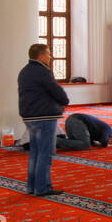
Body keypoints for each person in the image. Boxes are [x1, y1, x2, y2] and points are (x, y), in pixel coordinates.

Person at [18, 41, 69, 196]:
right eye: (48, 53)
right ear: (41, 56)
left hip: (30, 116)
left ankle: (32, 186)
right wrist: (64, 100)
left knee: (35, 152)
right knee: (45, 153)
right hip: (44, 116)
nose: (50, 57)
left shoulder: (25, 71)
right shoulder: (42, 71)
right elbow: (55, 90)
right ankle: (42, 188)